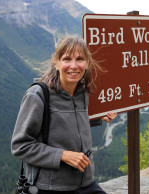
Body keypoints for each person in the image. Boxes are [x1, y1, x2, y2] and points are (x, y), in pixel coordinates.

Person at [11, 36, 117, 193]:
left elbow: (64, 121)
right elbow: (20, 146)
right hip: (50, 187)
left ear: (87, 63)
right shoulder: (38, 95)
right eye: (67, 59)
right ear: (56, 63)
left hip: (86, 183)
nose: (73, 66)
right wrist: (62, 155)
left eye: (80, 59)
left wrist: (97, 117)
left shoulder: (83, 92)